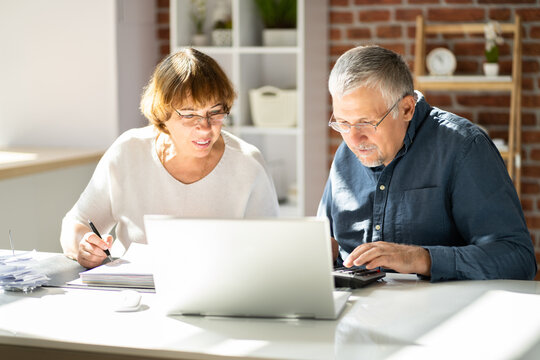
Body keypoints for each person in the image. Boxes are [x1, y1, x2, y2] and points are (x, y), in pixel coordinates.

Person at [318, 45, 537, 281]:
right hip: (357, 312)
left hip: (445, 315)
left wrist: (421, 259)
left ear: (406, 108)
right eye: (343, 123)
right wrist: (320, 253)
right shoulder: (345, 155)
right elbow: (323, 242)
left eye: (366, 123)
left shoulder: (464, 147)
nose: (353, 139)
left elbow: (518, 258)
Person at [61, 48, 279, 269]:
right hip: (135, 294)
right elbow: (76, 223)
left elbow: (273, 253)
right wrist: (84, 246)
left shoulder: (248, 164)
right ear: (162, 114)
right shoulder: (128, 152)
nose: (204, 128)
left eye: (214, 112)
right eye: (189, 114)